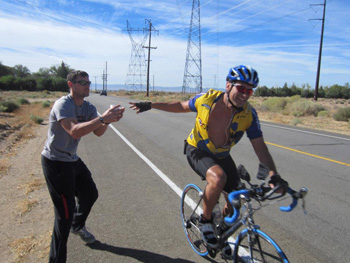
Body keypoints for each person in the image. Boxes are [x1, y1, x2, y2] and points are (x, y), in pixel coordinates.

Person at [129, 65, 287, 259]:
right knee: (218, 178)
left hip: (221, 154)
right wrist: (151, 104)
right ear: (228, 85)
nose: (245, 94)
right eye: (241, 88)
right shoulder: (207, 99)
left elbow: (260, 147)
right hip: (197, 149)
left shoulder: (249, 115)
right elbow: (180, 105)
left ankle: (220, 230)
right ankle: (205, 221)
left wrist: (274, 175)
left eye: (250, 90)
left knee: (237, 198)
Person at [41, 70, 125, 263]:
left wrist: (109, 120)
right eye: (82, 82)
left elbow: (98, 132)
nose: (87, 85)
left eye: (88, 82)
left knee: (90, 194)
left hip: (71, 159)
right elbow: (74, 131)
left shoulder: (87, 106)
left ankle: (77, 226)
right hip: (55, 162)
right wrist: (103, 118)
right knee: (64, 216)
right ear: (71, 85)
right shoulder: (64, 104)